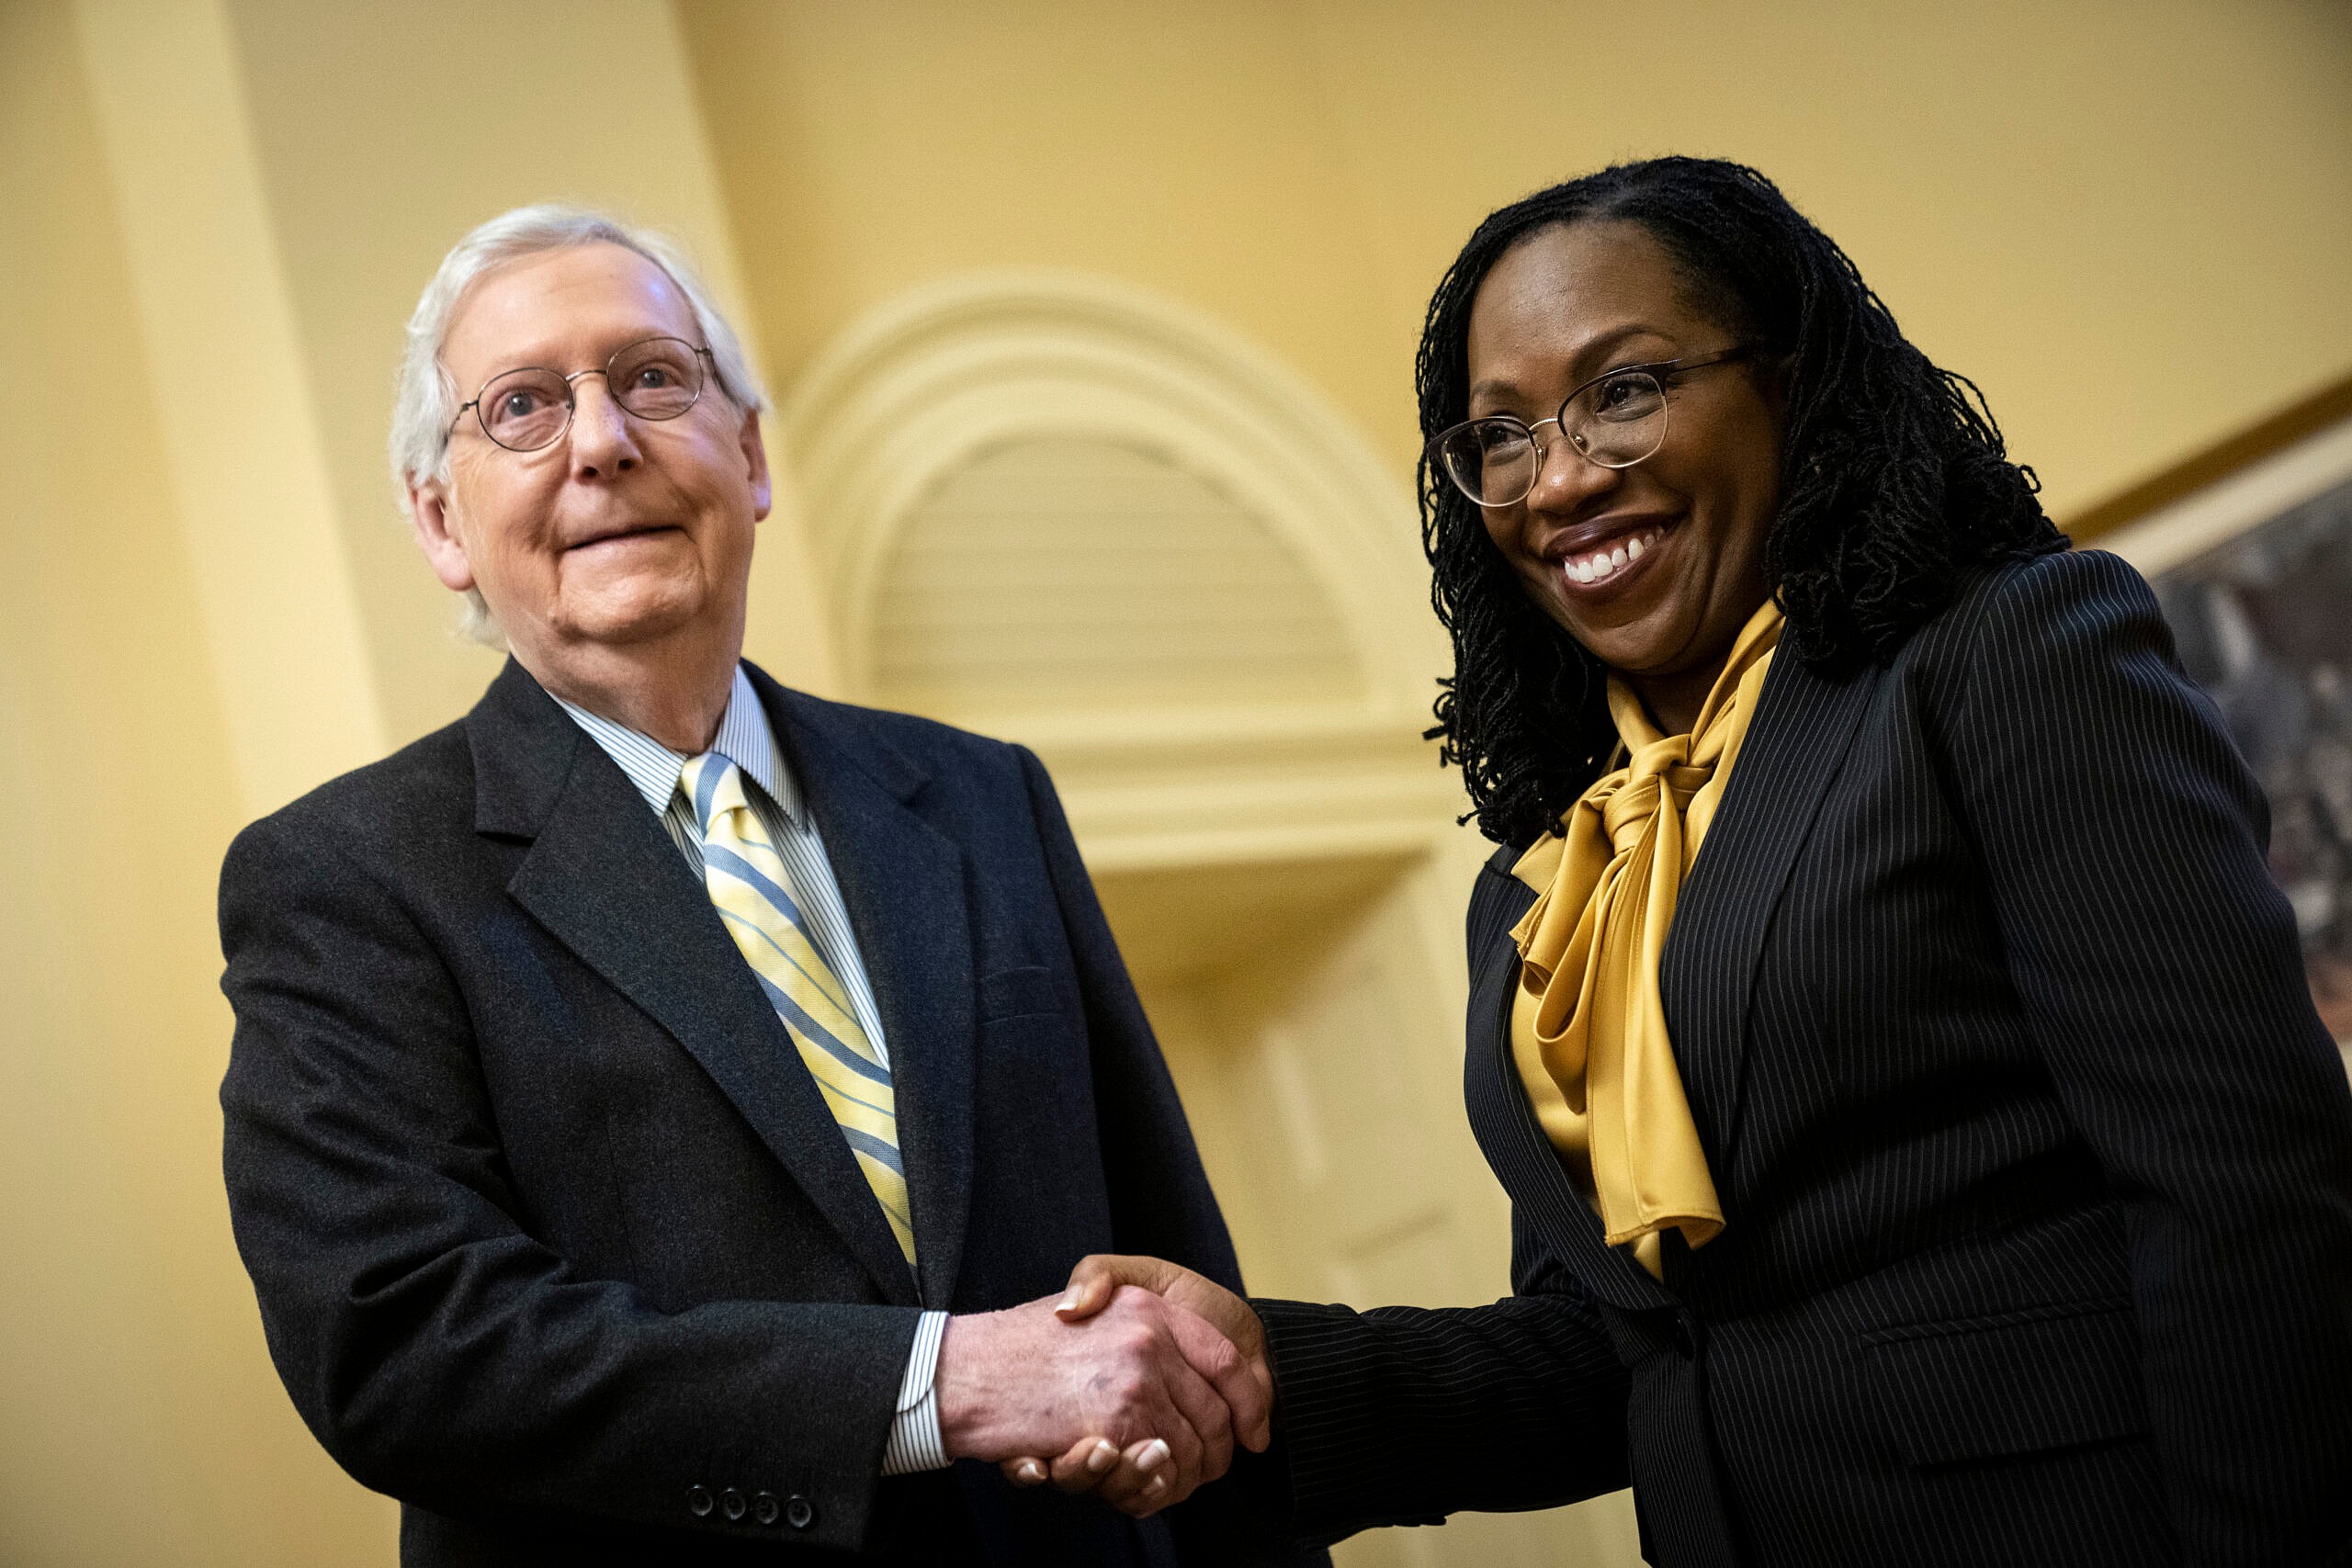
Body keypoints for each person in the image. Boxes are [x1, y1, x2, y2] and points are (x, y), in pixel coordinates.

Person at [1029, 158, 2352, 1566]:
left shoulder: (2002, 659)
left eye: (1625, 388)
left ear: (1791, 381)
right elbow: (1628, 1356)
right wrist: (1268, 1380)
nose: (1564, 479)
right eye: (1502, 435)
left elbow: (2246, 1200)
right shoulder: (1550, 880)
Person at [217, 206, 1316, 1567]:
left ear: (747, 453)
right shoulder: (344, 879)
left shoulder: (985, 798)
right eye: (520, 408)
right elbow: (403, 1350)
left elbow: (1178, 1290)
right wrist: (941, 1383)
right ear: (443, 522)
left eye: (652, 378)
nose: (604, 442)